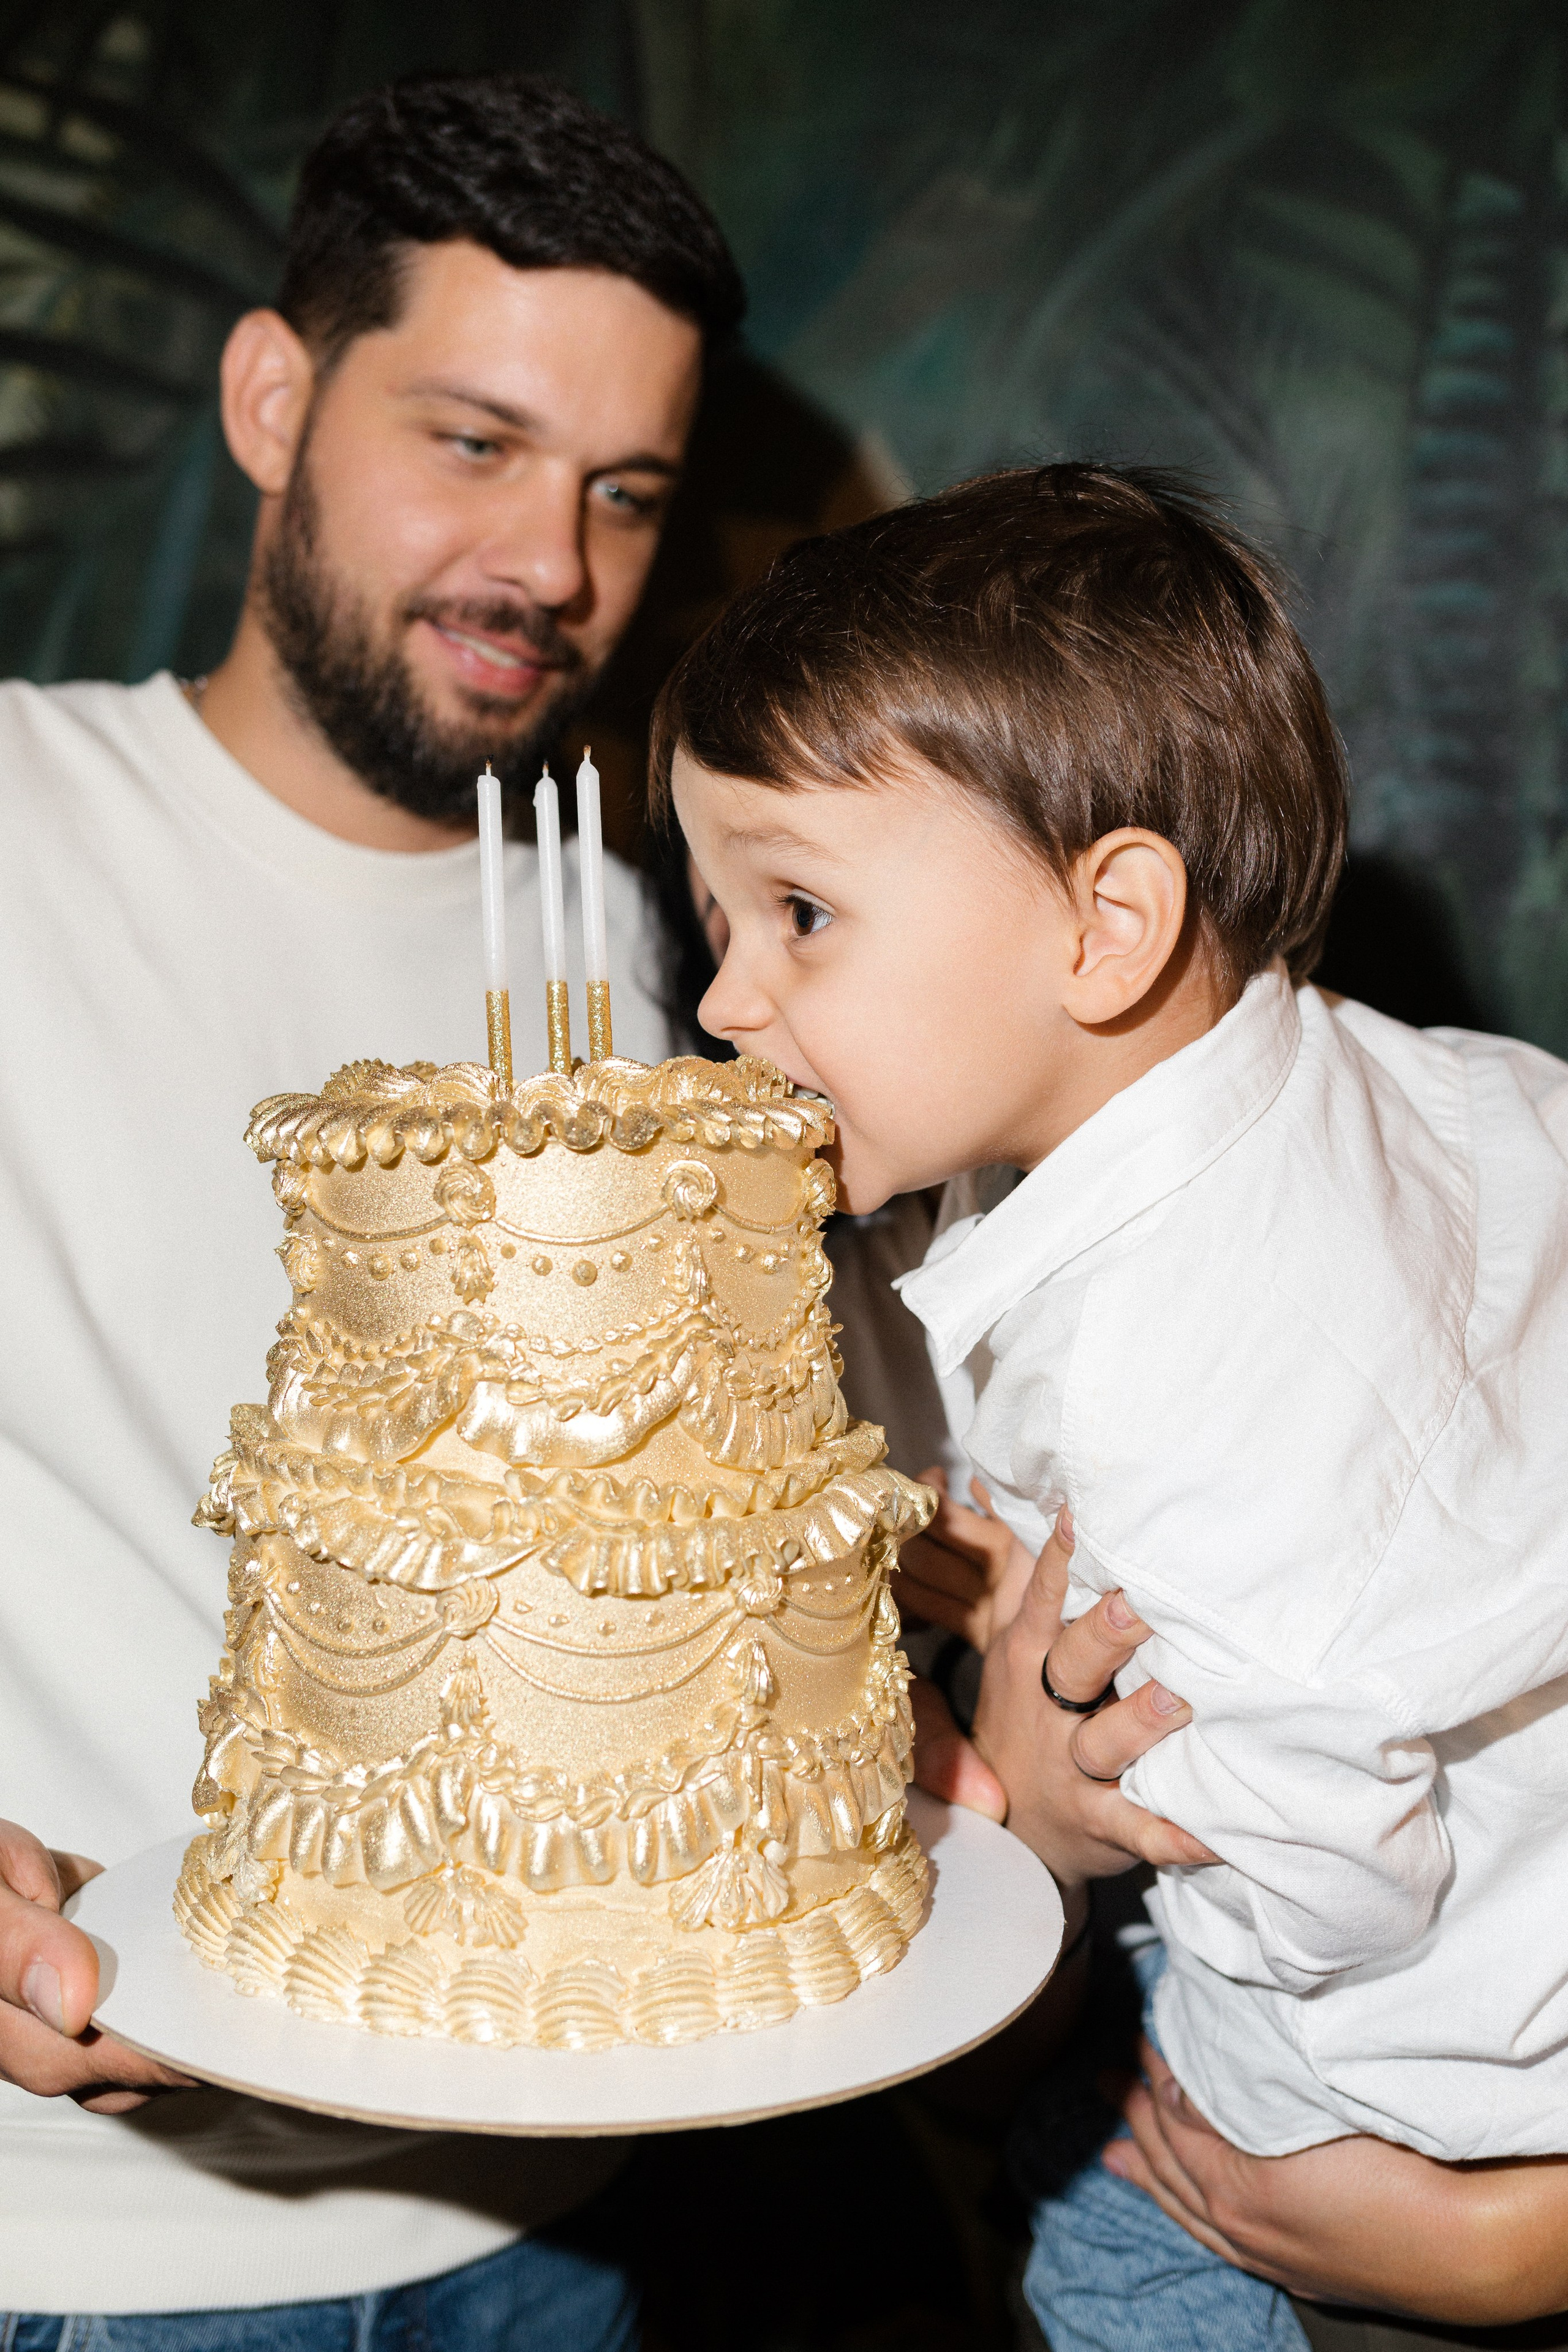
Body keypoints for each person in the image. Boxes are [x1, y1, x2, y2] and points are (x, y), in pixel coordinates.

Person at [652, 462, 1568, 2343]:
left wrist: (1130, 1781)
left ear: (1106, 926)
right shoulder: (1351, 1096)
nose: (727, 997)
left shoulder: (1200, 1358)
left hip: (1361, 2120)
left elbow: (1330, 1873)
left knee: (1100, 2254)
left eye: (800, 913)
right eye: (717, 918)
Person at [0, 69, 742, 2343]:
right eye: (473, 442)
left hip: (569, 2195)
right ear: (271, 396)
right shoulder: (24, 826)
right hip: (100, 2231)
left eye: (627, 489)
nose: (554, 566)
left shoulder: (694, 958)